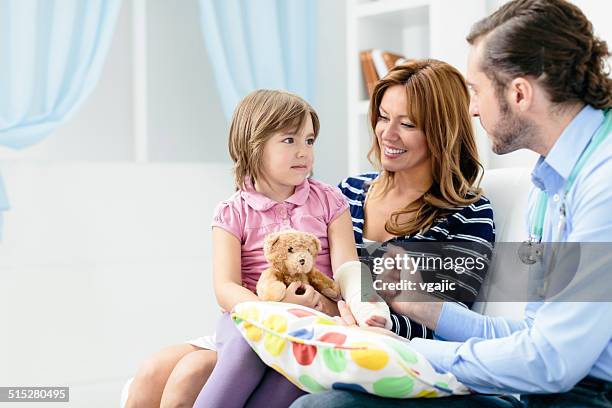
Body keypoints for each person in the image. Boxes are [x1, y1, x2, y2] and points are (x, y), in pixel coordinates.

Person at [291, 0, 612, 407]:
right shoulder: (551, 183)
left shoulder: (603, 184)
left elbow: (551, 361)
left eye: (476, 91)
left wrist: (400, 351)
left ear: (519, 93)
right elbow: (532, 338)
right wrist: (421, 306)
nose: (473, 109)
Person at [194, 59, 496, 407]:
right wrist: (281, 308)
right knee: (181, 370)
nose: (387, 133)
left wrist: (358, 314)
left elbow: (446, 323)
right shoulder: (349, 191)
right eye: (383, 117)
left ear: (442, 132)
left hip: (366, 345)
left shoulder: (468, 214)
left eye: (408, 123)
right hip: (289, 321)